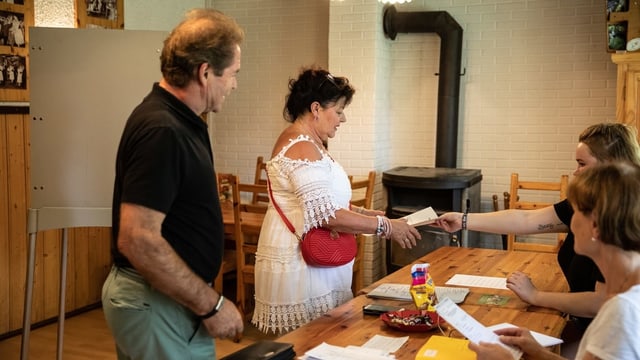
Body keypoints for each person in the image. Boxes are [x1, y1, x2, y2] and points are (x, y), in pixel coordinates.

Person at [102, 9, 245, 359]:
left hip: (171, 302)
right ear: (205, 72)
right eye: (233, 74)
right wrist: (212, 304)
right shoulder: (163, 130)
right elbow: (138, 238)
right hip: (154, 302)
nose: (234, 84)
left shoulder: (181, 121)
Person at [251, 66, 422, 334]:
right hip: (301, 264)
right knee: (309, 341)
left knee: (323, 338)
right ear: (316, 108)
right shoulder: (301, 146)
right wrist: (386, 227)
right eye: (339, 111)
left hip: (314, 261)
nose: (343, 119)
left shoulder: (310, 142)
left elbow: (321, 201)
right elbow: (325, 215)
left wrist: (366, 213)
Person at [433, 123, 640, 331]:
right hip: (585, 326)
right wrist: (463, 220)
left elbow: (602, 303)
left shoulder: (617, 229)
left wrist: (536, 296)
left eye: (581, 164)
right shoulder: (590, 204)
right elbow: (525, 219)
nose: (576, 172)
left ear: (611, 166)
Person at [470, 161, 640, 360]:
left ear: (595, 225)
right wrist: (539, 353)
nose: (570, 222)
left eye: (576, 212)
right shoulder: (626, 294)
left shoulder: (623, 312)